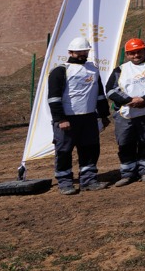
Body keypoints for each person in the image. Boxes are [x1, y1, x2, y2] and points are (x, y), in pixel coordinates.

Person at [47, 36, 111, 194]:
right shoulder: (60, 71)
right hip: (67, 119)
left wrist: (104, 115)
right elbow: (54, 98)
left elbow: (99, 94)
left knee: (90, 149)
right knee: (64, 151)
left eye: (85, 51)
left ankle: (89, 180)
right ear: (70, 52)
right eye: (78, 52)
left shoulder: (93, 69)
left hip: (89, 117)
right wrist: (60, 119)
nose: (82, 54)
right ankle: (65, 182)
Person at [105, 37, 145, 186]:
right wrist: (129, 100)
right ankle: (127, 173)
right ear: (127, 54)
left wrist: (144, 99)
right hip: (126, 113)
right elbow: (110, 90)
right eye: (132, 53)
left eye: (139, 51)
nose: (136, 55)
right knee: (125, 142)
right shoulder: (120, 70)